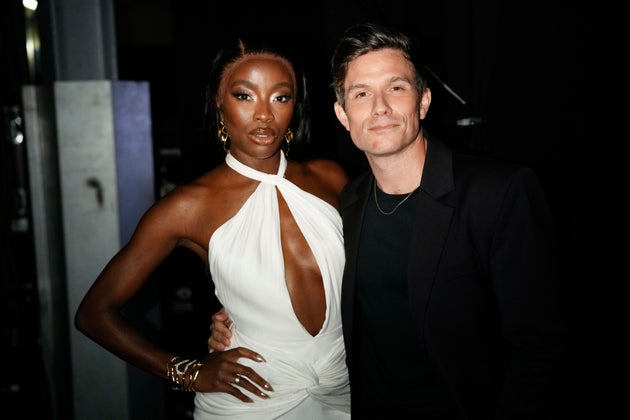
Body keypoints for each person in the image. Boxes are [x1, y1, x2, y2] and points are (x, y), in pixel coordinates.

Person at [209, 22, 569, 419]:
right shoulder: (346, 200)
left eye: (396, 88)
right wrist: (238, 315)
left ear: (424, 101)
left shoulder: (498, 193)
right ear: (343, 114)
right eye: (361, 94)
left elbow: (542, 346)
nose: (379, 107)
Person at [74, 34, 351, 419]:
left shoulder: (331, 178)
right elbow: (94, 313)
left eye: (280, 97)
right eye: (244, 96)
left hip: (347, 392)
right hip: (250, 403)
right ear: (219, 105)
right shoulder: (188, 206)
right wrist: (188, 373)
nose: (264, 114)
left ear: (295, 106)